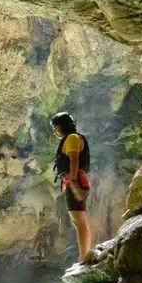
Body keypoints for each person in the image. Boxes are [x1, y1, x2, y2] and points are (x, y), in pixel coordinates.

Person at [51, 112, 92, 263]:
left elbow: (74, 160)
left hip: (74, 181)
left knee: (79, 221)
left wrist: (73, 182)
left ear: (62, 126)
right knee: (79, 221)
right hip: (72, 180)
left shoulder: (72, 138)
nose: (55, 131)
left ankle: (84, 257)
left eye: (55, 127)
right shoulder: (71, 138)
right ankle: (84, 256)